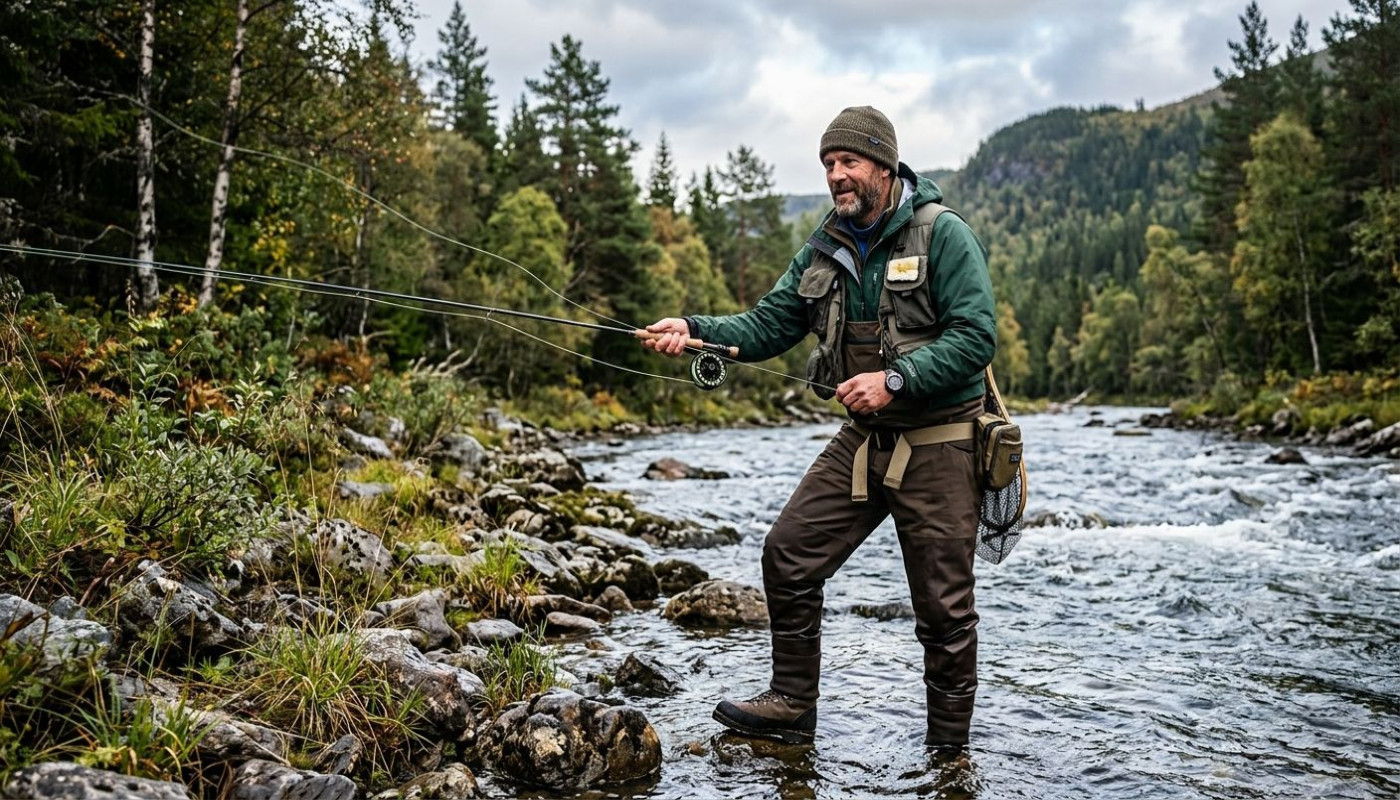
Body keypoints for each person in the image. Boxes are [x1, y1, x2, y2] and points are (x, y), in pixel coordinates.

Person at [643, 106, 997, 749]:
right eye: (829, 164)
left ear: (884, 167)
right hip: (867, 442)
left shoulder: (943, 235)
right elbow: (767, 325)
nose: (837, 175)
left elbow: (976, 338)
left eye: (849, 162)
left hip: (944, 439)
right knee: (788, 554)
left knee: (943, 613)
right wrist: (694, 329)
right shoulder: (824, 247)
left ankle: (948, 758)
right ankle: (791, 703)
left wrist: (895, 380)